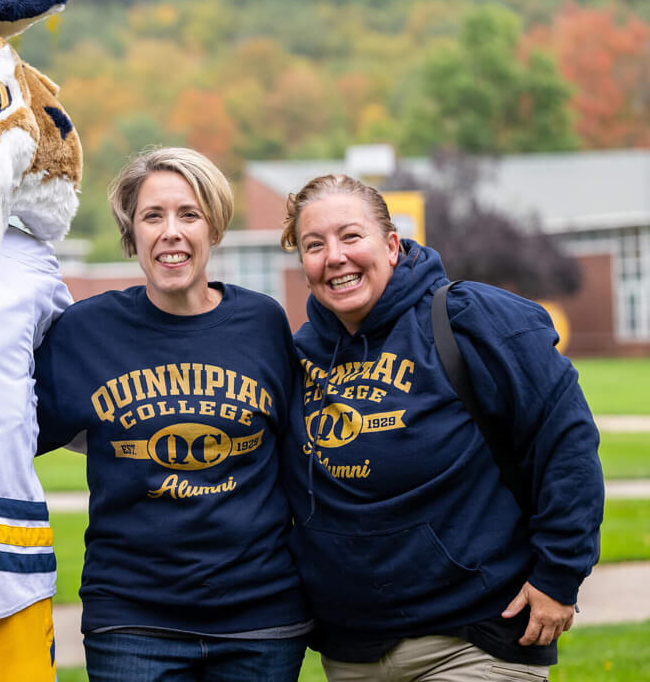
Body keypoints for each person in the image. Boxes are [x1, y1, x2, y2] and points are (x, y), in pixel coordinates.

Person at [279, 173, 603, 681]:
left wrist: (560, 575)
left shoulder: (472, 319)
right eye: (314, 245)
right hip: (351, 652)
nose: (334, 256)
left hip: (473, 641)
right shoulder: (298, 358)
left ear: (390, 245)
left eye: (350, 236)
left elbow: (565, 442)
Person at [34, 147, 311, 682]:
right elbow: (16, 429)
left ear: (214, 227)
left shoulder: (263, 322)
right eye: (152, 216)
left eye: (189, 214)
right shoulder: (87, 331)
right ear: (131, 233)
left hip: (261, 618)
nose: (171, 232)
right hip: (134, 620)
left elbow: (294, 446)